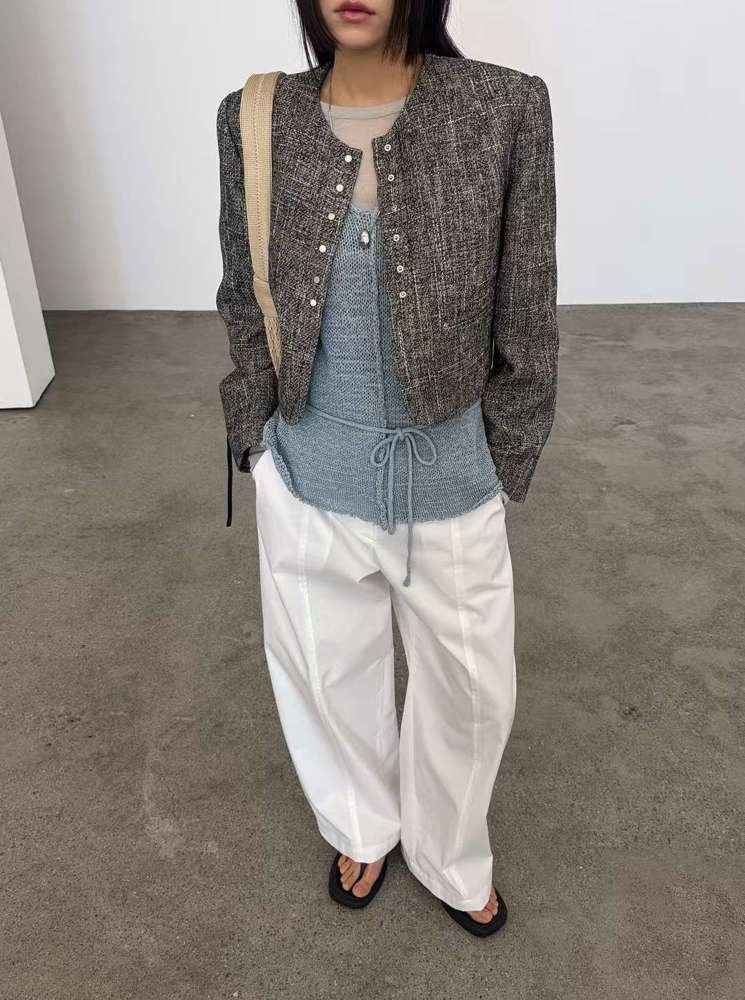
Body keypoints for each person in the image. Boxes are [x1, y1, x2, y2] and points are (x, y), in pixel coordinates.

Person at [215, 0, 558, 937]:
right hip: (306, 468)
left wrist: (505, 454)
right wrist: (257, 439)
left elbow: (527, 299)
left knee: (472, 692)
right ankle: (361, 825)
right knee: (325, 674)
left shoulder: (503, 107)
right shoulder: (254, 115)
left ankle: (449, 852)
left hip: (448, 476)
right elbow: (243, 292)